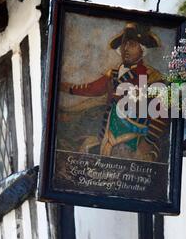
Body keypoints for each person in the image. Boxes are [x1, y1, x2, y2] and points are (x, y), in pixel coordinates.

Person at [61, 22, 168, 162]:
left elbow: (162, 112)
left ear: (142, 49)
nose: (126, 49)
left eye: (132, 45)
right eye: (124, 45)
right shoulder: (114, 73)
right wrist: (66, 88)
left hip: (136, 137)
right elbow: (94, 89)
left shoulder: (152, 76)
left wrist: (148, 141)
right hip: (110, 132)